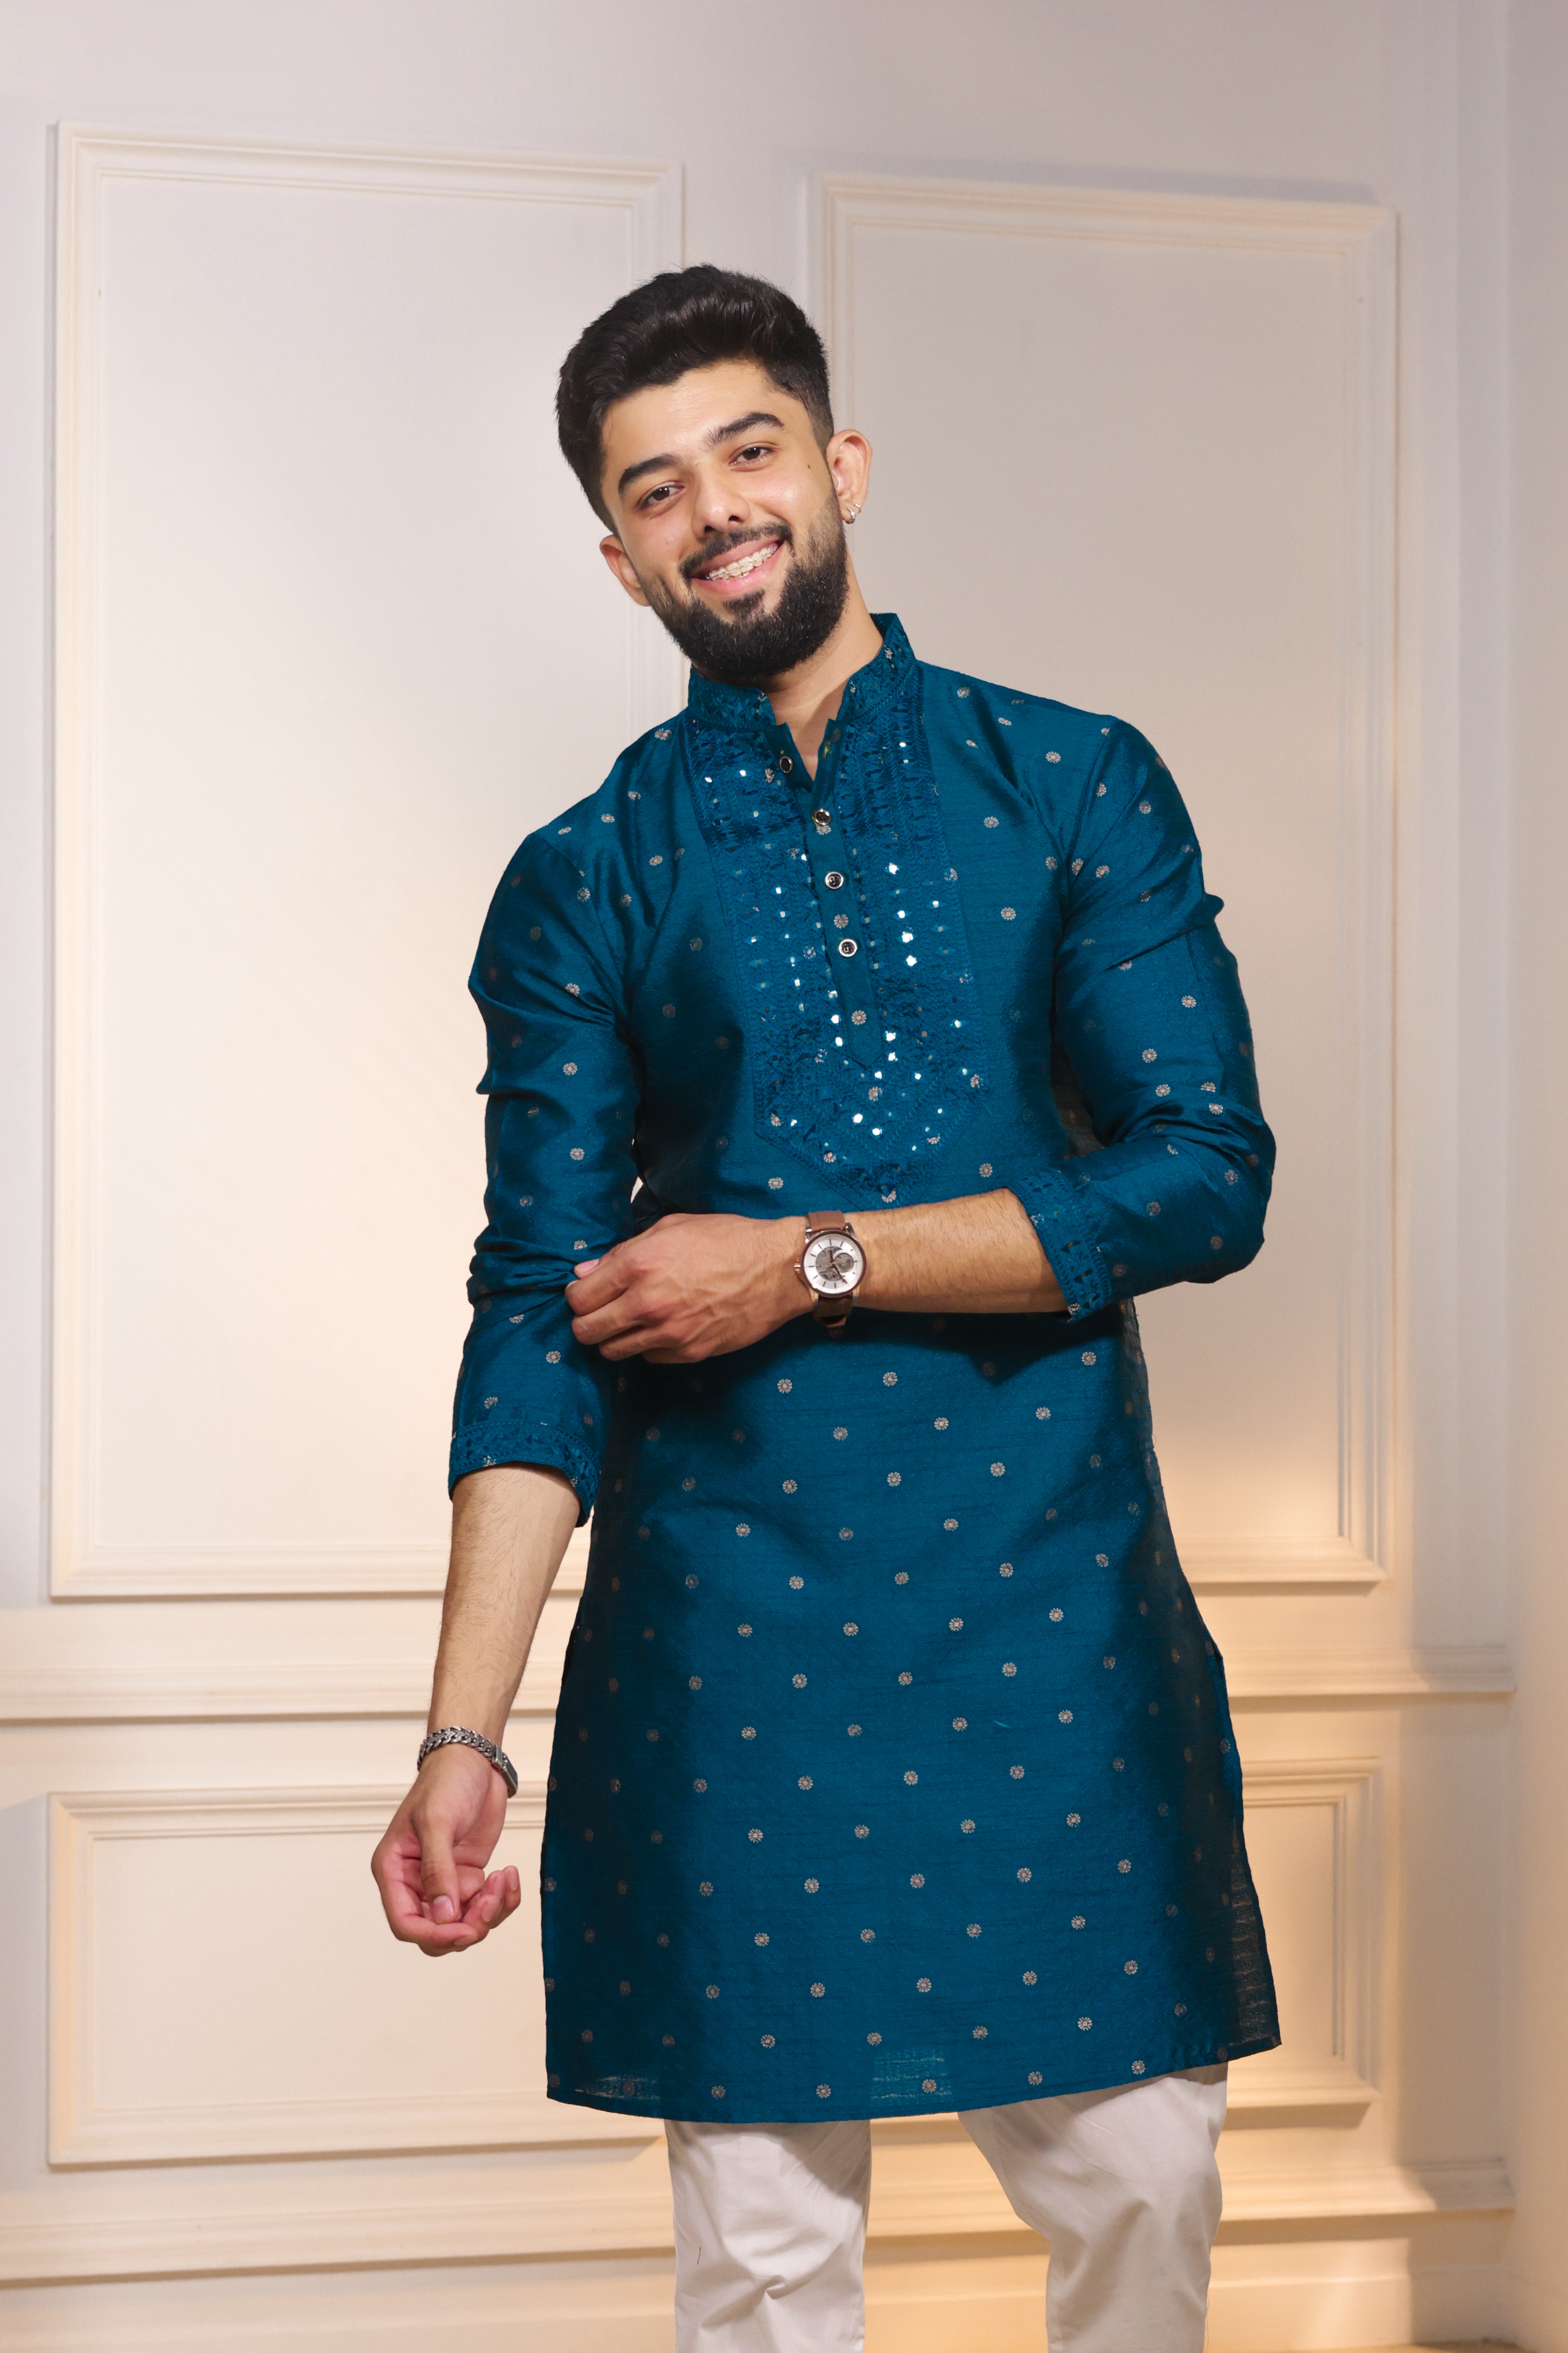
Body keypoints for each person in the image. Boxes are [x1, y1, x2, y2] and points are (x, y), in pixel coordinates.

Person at [372, 264, 1280, 2351]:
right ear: (621, 558)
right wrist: (462, 1736)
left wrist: (806, 1259)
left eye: (750, 450)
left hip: (1051, 1605)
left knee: (1145, 2175)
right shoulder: (588, 872)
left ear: (841, 465)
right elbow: (534, 1311)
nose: (716, 510)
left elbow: (1203, 1178)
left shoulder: (1070, 781)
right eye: (656, 488)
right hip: (730, 1642)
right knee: (769, 2266)